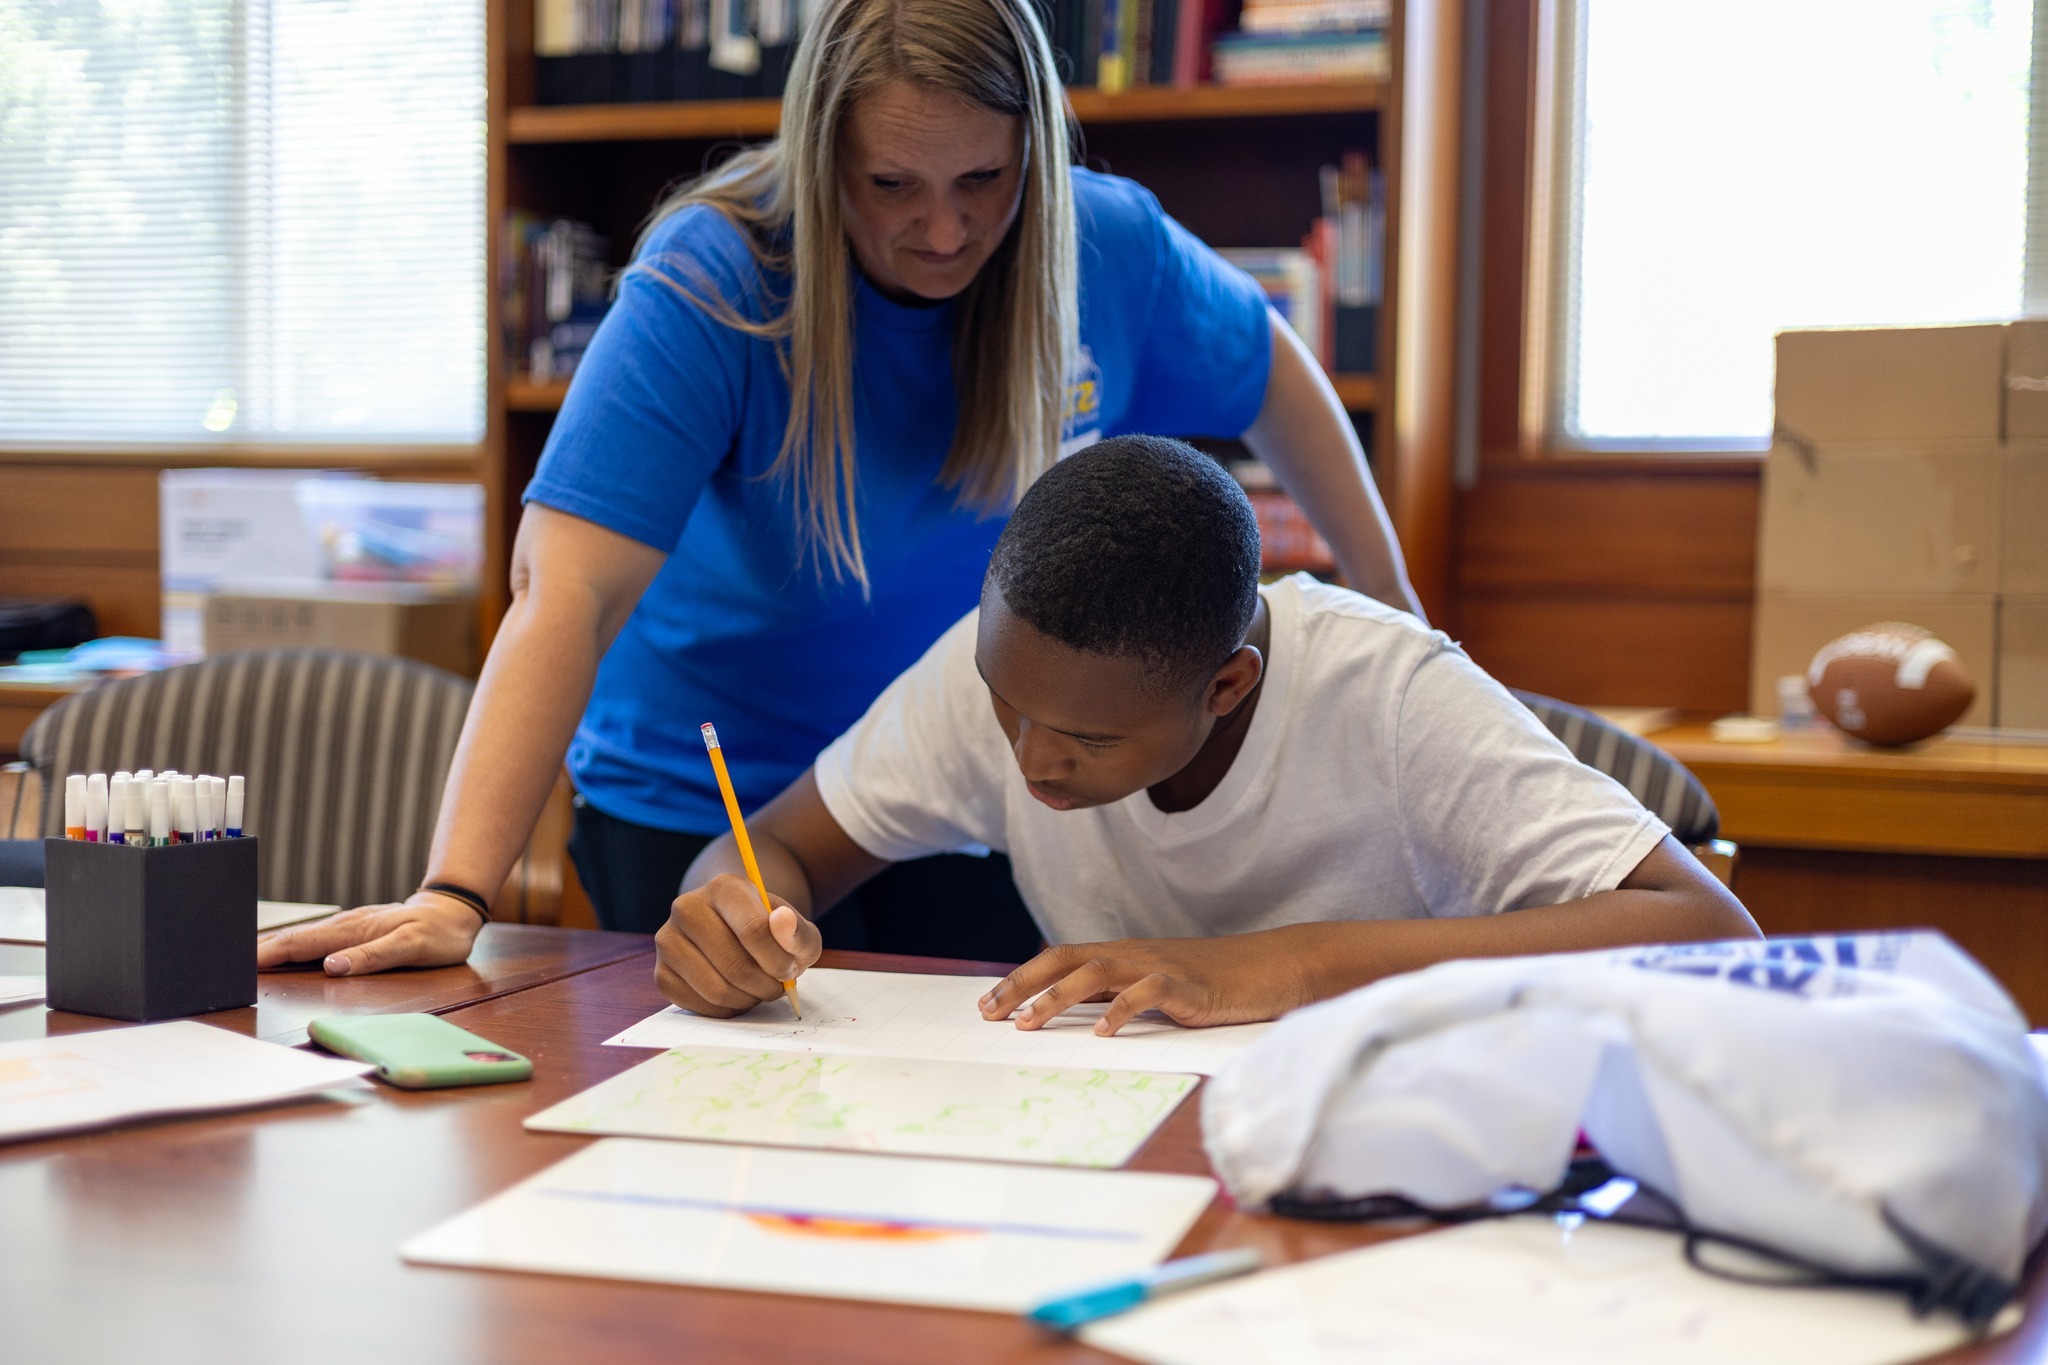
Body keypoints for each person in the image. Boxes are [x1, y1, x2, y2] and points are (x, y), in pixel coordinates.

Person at [258, 0, 1421, 978]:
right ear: (823, 161)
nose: (944, 228)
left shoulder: (1103, 246)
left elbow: (1274, 373)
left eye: (983, 178)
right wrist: (457, 890)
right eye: (892, 184)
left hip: (967, 783)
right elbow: (563, 595)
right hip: (707, 788)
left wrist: (1389, 596)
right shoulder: (712, 281)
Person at [654, 436, 1758, 1032]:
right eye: (1011, 708)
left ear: (1227, 688)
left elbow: (1711, 938)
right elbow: (773, 847)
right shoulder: (993, 667)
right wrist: (731, 912)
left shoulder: (1393, 697)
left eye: (1087, 738)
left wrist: (1283, 964)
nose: (1031, 758)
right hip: (1131, 1146)